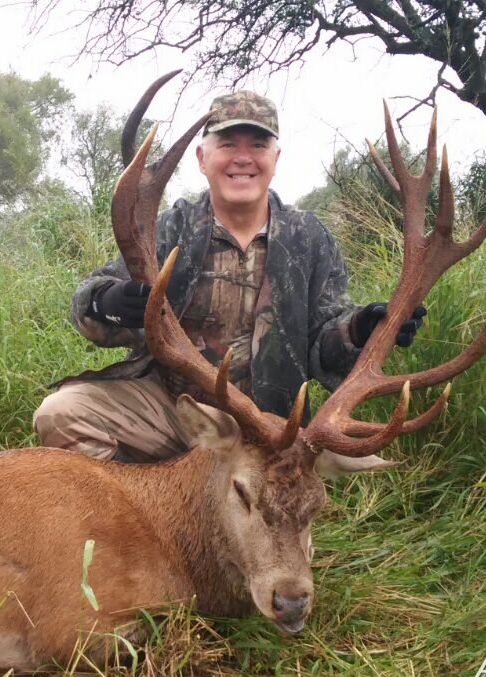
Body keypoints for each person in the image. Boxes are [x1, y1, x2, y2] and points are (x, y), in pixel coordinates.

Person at [34, 90, 427, 462]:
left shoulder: (308, 237)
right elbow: (87, 302)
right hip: (175, 414)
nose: (243, 158)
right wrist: (108, 303)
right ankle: (145, 509)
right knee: (61, 413)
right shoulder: (170, 228)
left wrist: (359, 329)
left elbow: (322, 340)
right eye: (227, 145)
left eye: (257, 145)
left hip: (268, 430)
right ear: (202, 158)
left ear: (276, 157)